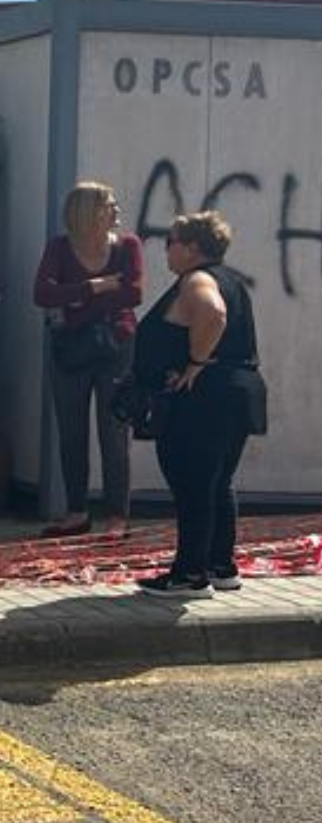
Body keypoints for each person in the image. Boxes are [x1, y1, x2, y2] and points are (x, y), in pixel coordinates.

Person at [134, 212, 266, 598]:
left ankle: (189, 574)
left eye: (170, 241)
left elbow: (213, 314)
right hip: (236, 394)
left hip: (205, 399)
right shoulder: (231, 280)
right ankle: (219, 565)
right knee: (217, 482)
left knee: (192, 484)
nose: (165, 249)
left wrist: (196, 362)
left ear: (192, 247)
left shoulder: (198, 279)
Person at [32, 181, 142, 539]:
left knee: (114, 430)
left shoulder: (127, 246)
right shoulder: (60, 248)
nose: (116, 211)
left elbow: (134, 292)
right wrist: (96, 287)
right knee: (71, 430)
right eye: (109, 205)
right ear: (89, 212)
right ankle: (76, 510)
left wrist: (76, 301)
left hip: (116, 345)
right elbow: (43, 294)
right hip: (72, 348)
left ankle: (117, 517)